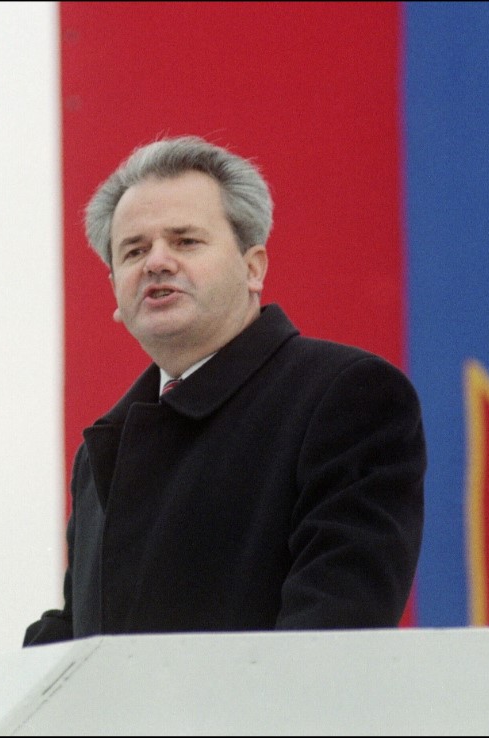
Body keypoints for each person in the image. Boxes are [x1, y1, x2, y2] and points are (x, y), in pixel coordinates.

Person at [24, 135, 426, 645]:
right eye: (134, 250)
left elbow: (333, 630)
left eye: (186, 241)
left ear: (253, 268)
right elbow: (84, 638)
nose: (156, 262)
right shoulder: (103, 450)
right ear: (115, 291)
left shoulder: (345, 396)